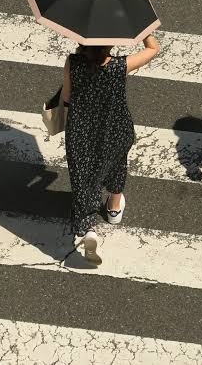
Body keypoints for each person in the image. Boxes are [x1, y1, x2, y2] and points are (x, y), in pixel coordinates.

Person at [62, 35, 160, 264]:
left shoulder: (72, 63)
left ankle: (88, 229)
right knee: (116, 165)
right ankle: (114, 208)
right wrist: (143, 31)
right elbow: (153, 49)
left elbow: (66, 97)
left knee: (85, 178)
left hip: (81, 131)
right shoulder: (120, 65)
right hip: (116, 129)